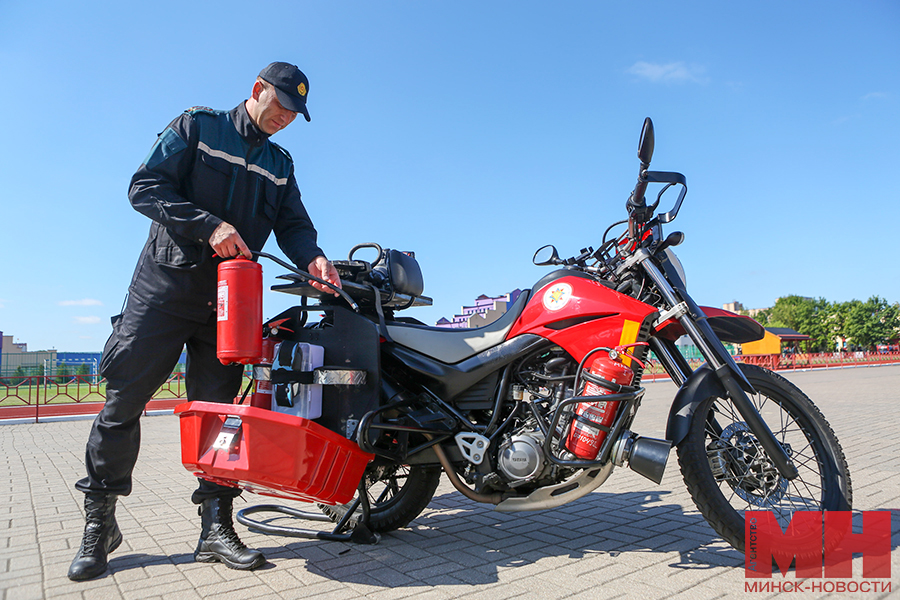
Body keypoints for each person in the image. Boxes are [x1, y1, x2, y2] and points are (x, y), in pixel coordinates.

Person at [68, 62, 342, 581]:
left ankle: (214, 527)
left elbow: (294, 225)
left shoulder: (280, 164)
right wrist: (208, 225)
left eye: (294, 112)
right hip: (164, 291)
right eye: (280, 104)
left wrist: (314, 258)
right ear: (257, 90)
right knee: (124, 401)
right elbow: (144, 188)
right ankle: (98, 523)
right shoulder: (199, 126)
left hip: (229, 302)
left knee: (221, 414)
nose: (285, 117)